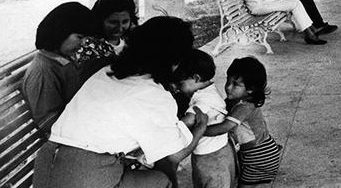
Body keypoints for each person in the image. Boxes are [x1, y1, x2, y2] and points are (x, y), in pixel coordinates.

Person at [34, 17, 210, 188]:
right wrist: (201, 128)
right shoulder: (153, 93)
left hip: (47, 165)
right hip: (85, 175)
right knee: (162, 180)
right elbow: (172, 157)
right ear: (174, 61)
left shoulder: (109, 72)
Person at [204, 57, 283, 187]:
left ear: (250, 89)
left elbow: (225, 126)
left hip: (260, 155)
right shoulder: (234, 99)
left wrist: (200, 130)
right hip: (253, 151)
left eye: (235, 84)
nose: (228, 87)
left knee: (244, 185)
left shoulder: (244, 106)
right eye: (227, 81)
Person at [21, 2, 93, 135]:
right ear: (61, 32)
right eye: (80, 37)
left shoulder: (62, 59)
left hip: (79, 124)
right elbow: (47, 122)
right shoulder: (42, 72)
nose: (83, 43)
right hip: (65, 139)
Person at [172, 50, 236, 188]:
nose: (177, 88)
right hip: (217, 151)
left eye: (180, 83)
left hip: (211, 157)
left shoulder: (203, 101)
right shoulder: (209, 90)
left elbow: (188, 121)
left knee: (211, 181)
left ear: (196, 78)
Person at [74, 0, 139, 74]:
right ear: (100, 20)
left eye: (125, 21)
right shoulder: (87, 46)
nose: (120, 28)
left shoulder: (133, 40)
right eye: (113, 22)